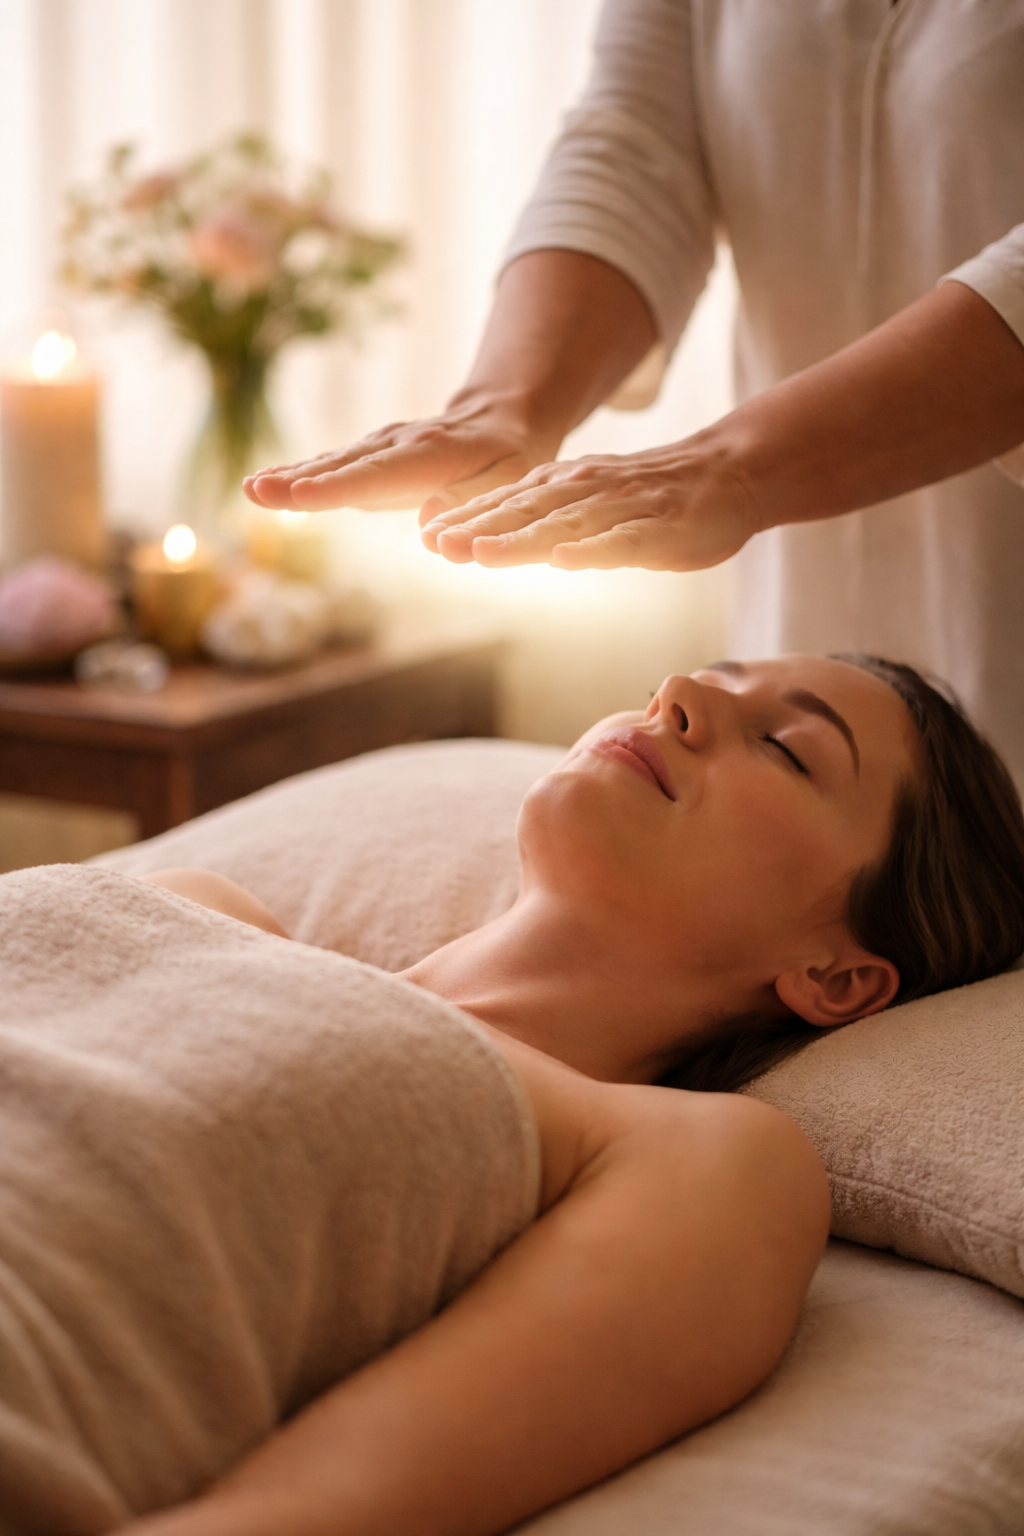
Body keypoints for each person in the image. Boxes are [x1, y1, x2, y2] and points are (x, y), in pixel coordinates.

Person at [4, 653, 1024, 1536]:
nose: (677, 694)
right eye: (708, 678)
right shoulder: (195, 908)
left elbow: (312, 1514)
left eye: (788, 748)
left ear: (837, 978)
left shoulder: (702, 1157)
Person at [244, 0, 1024, 787]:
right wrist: (503, 404)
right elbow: (634, 149)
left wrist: (733, 466)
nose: (675, 696)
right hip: (797, 618)